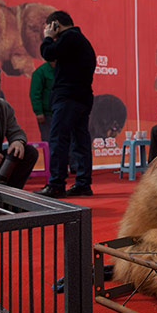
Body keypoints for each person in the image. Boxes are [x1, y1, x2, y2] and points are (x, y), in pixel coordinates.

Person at [35, 11, 96, 198]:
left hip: (68, 97)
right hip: (82, 97)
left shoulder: (69, 37)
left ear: (55, 25)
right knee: (80, 140)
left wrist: (48, 38)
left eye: (48, 27)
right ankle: (83, 183)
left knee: (59, 140)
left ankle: (56, 184)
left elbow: (48, 53)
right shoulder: (81, 40)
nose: (47, 31)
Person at [29, 61, 54, 141]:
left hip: (63, 113)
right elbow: (35, 93)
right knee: (48, 140)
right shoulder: (41, 72)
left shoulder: (64, 70)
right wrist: (38, 112)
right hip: (47, 115)